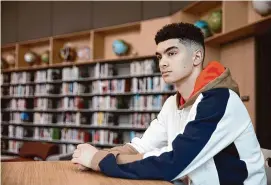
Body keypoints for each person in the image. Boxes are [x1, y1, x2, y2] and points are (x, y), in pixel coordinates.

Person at [71, 22, 267, 185]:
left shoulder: (219, 100)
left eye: (171, 53)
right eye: (160, 56)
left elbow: (174, 162)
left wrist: (99, 161)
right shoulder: (172, 104)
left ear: (196, 57)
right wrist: (101, 156)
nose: (162, 63)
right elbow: (142, 146)